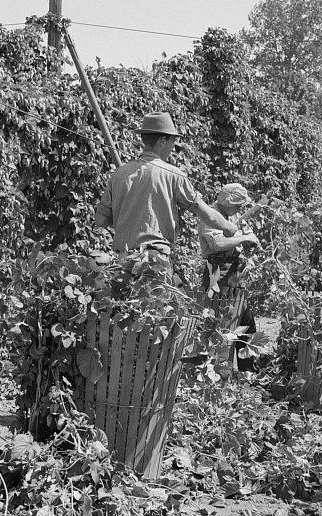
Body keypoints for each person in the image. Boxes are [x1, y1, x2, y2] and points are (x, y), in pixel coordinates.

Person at [93, 112, 239, 281]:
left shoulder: (119, 174)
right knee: (155, 306)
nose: (173, 147)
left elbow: (100, 221)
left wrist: (128, 217)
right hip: (154, 260)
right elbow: (204, 212)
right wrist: (227, 226)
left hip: (122, 260)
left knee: (124, 306)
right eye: (172, 141)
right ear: (163, 141)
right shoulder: (172, 174)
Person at [198, 183, 261, 371]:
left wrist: (250, 239)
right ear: (229, 200)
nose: (241, 208)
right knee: (221, 323)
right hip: (218, 271)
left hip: (236, 271)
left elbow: (248, 232)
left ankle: (247, 371)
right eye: (238, 204)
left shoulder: (234, 215)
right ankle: (218, 373)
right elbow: (218, 243)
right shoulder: (209, 214)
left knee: (245, 320)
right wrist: (242, 239)